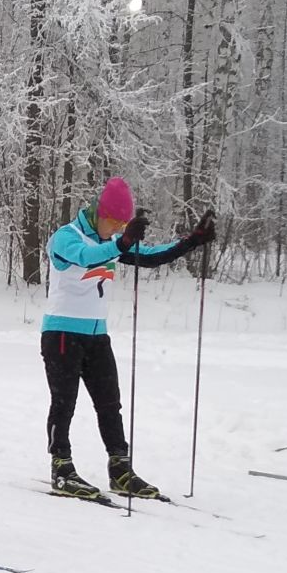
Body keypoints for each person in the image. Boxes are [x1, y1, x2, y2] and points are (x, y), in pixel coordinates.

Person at [41, 177, 215, 501]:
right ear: (99, 213)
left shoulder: (111, 242)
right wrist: (121, 245)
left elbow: (150, 256)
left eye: (123, 225)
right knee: (64, 403)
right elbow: (86, 256)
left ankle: (120, 469)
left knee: (110, 404)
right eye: (115, 222)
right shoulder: (66, 238)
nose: (117, 229)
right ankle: (61, 468)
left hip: (96, 334)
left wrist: (192, 241)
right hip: (62, 334)